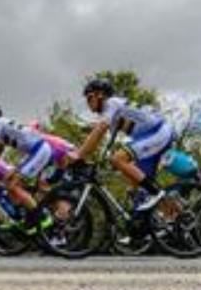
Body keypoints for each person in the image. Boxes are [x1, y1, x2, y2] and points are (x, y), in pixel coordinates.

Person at [66, 77, 174, 211]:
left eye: (90, 97)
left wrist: (79, 154)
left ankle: (158, 194)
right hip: (150, 135)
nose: (88, 103)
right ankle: (176, 216)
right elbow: (104, 141)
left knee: (118, 159)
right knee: (137, 191)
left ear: (101, 95)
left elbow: (100, 129)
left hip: (157, 131)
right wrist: (96, 159)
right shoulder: (113, 115)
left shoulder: (111, 103)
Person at [0, 103, 53, 235]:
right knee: (7, 180)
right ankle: (24, 214)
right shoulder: (1, 128)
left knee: (13, 186)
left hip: (39, 150)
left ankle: (42, 217)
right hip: (34, 152)